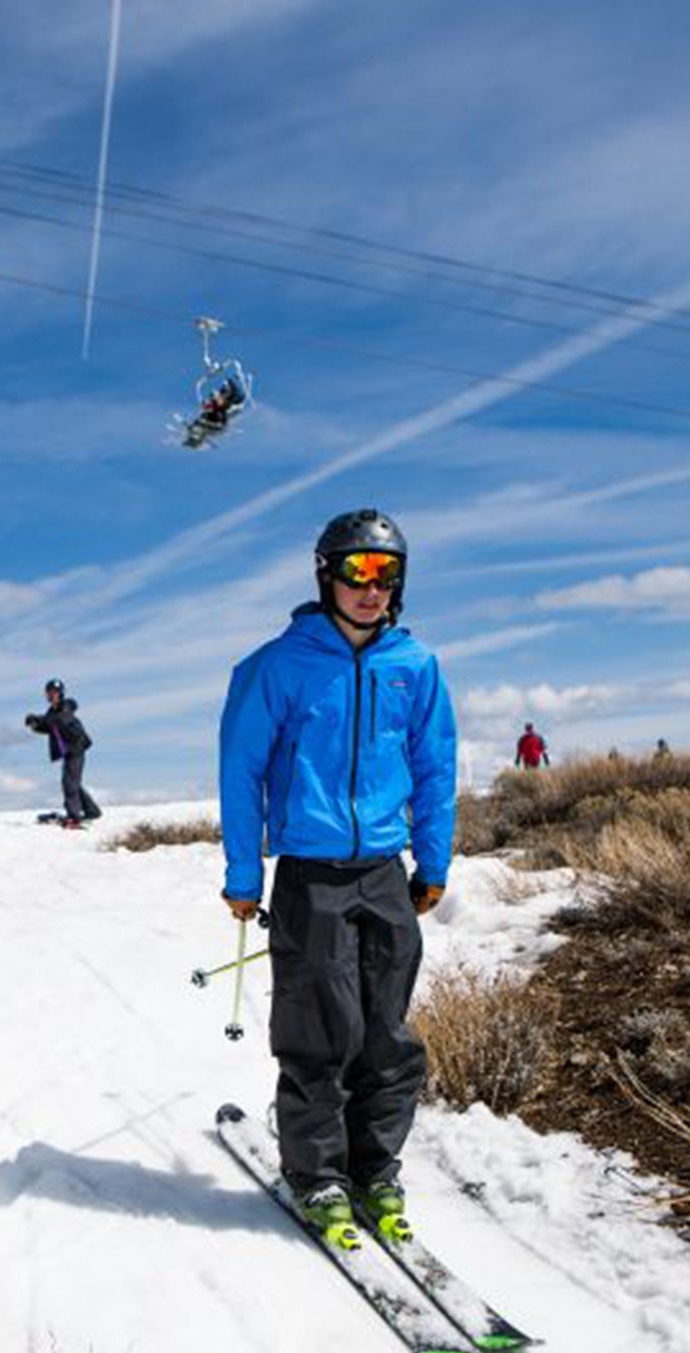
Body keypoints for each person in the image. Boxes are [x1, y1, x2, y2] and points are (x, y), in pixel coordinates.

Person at [218, 507, 457, 1252]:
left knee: (386, 1034)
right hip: (309, 876)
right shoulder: (275, 666)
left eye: (386, 574)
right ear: (327, 575)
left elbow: (434, 765)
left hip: (385, 871)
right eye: (357, 570)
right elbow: (241, 772)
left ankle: (375, 1169)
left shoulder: (414, 667)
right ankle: (317, 1173)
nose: (371, 587)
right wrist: (241, 870)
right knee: (320, 1031)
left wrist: (434, 860)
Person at [25, 679, 100, 828]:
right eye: (49, 693)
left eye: (55, 693)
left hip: (76, 748)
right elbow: (50, 727)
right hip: (68, 751)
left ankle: (74, 816)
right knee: (73, 782)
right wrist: (35, 725)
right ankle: (92, 811)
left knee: (69, 783)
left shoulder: (66, 707)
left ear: (61, 694)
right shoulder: (52, 711)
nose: (52, 696)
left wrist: (39, 720)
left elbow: (59, 720)